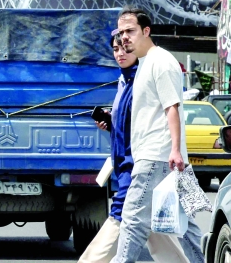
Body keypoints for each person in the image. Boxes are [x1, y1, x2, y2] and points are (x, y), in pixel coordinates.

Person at [79, 31, 188, 263]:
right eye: (116, 49)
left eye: (126, 49)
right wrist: (112, 124)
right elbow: (132, 128)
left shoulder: (142, 80)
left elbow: (162, 117)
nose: (120, 53)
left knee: (121, 218)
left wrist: (174, 149)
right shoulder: (124, 82)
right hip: (127, 166)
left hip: (139, 167)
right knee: (158, 231)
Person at [110, 7, 203, 263]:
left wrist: (174, 149)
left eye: (130, 31)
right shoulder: (144, 64)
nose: (124, 37)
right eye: (121, 32)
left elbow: (171, 106)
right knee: (185, 227)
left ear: (146, 31)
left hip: (157, 156)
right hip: (164, 157)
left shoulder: (160, 62)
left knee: (132, 221)